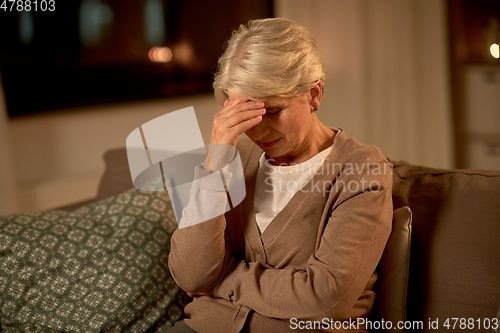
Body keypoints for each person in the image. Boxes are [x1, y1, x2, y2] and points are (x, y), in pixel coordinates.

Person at [167, 18, 393, 332]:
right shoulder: (234, 156)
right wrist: (215, 166)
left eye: (272, 111)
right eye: (246, 113)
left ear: (314, 94)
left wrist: (224, 278)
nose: (258, 131)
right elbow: (192, 275)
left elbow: (327, 299)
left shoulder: (361, 169)